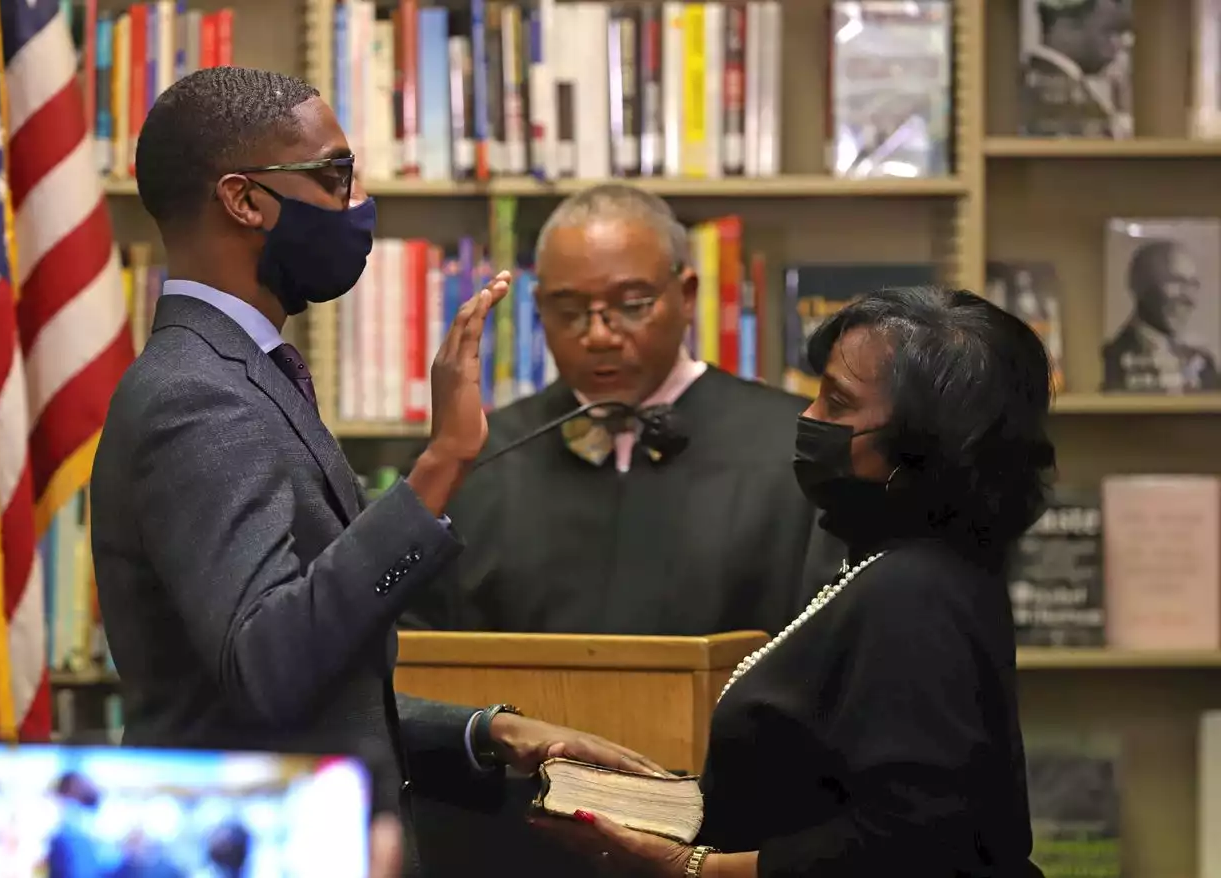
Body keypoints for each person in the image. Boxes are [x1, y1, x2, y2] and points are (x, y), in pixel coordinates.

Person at [89, 67, 662, 878]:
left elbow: (318, 692)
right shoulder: (197, 395)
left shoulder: (248, 374)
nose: (356, 200)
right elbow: (270, 670)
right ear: (244, 200)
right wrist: (441, 463)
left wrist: (488, 733)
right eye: (333, 175)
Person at [538, 286, 1051, 878]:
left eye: (836, 403)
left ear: (921, 448)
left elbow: (914, 844)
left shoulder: (917, 592)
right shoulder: (892, 564)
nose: (808, 419)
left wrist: (688, 867)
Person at [404, 183, 842, 636]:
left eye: (632, 305)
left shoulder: (790, 452)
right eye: (569, 310)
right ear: (538, 310)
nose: (598, 335)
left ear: (687, 295)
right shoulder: (482, 458)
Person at [1102, 238, 1219, 392]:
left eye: (1193, 285)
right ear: (1141, 286)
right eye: (1177, 282)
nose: (1190, 299)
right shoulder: (1110, 358)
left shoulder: (1205, 364)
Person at [1020, 0, 1132, 138]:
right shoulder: (1057, 96)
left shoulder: (1028, 80)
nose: (1119, 44)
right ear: (1065, 24)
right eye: (1108, 31)